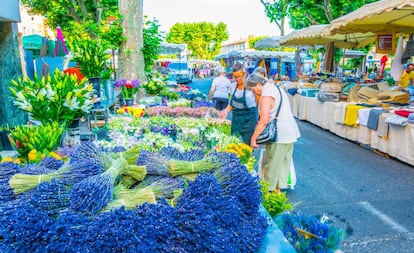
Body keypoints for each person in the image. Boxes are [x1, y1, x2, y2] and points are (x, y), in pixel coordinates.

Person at [246, 73, 300, 193]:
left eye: (252, 89)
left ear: (258, 84)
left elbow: (264, 120)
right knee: (282, 165)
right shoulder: (276, 88)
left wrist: (253, 139)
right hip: (290, 132)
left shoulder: (267, 95)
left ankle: (269, 194)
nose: (253, 92)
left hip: (279, 134)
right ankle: (277, 193)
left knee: (272, 166)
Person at [223, 62, 257, 145]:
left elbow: (259, 103)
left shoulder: (251, 87)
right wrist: (225, 112)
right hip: (236, 120)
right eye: (235, 77)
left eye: (239, 76)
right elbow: (231, 104)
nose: (237, 79)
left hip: (248, 121)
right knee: (234, 144)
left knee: (247, 147)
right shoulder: (232, 86)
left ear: (244, 74)